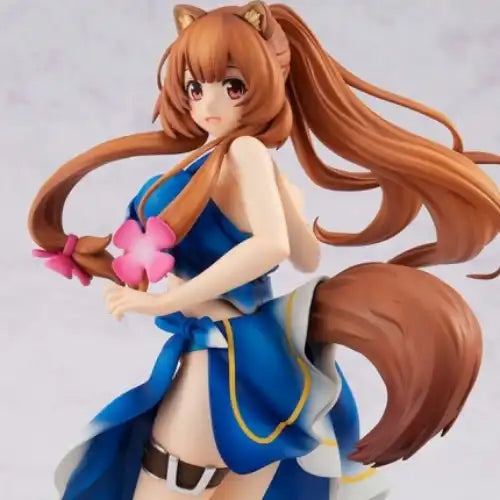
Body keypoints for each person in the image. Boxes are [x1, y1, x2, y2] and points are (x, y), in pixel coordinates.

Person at [27, 2, 500, 499]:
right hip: (232, 354)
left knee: (165, 480)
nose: (208, 103)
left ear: (262, 84)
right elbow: (301, 256)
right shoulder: (214, 158)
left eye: (231, 86)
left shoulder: (245, 152)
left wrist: (166, 301)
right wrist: (91, 258)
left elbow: (274, 246)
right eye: (195, 88)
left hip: (221, 358)